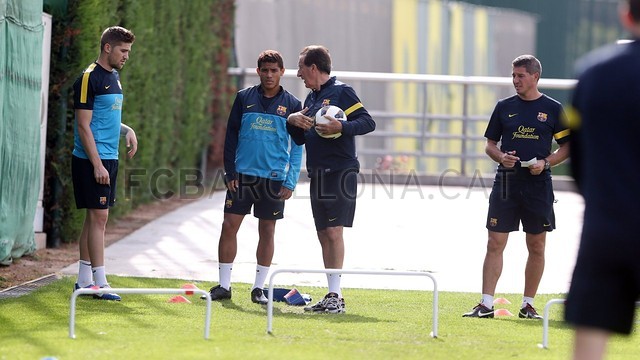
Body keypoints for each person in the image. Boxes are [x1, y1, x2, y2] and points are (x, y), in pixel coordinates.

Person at [462, 55, 570, 319]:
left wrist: (546, 162)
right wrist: (501, 157)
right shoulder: (503, 107)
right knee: (494, 241)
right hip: (507, 182)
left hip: (538, 184)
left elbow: (569, 146)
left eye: (520, 76)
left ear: (535, 77)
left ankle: (528, 305)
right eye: (513, 75)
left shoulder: (554, 108)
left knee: (536, 245)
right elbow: (489, 144)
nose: (515, 80)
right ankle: (486, 304)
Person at [565, 1, 640, 358]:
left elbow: (578, 160)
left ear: (625, 14)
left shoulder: (593, 72)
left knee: (591, 334)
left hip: (607, 226)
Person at [204, 50, 303, 305]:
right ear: (258, 72)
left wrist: (290, 181)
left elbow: (298, 146)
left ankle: (258, 288)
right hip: (242, 176)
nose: (269, 75)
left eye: (274, 70)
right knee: (228, 226)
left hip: (273, 179)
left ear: (282, 72)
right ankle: (224, 285)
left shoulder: (293, 105)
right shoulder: (243, 98)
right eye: (265, 70)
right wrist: (230, 172)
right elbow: (231, 136)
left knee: (267, 231)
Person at [286, 45, 376, 314]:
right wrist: (292, 122)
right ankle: (331, 294)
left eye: (301, 67)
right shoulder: (311, 99)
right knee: (323, 232)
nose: (299, 73)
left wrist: (341, 126)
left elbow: (368, 122)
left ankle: (336, 296)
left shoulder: (342, 91)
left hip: (341, 170)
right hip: (318, 172)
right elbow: (301, 138)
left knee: (335, 231)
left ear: (314, 67)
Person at [71, 26, 137, 301]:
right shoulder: (89, 78)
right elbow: (84, 126)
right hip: (91, 159)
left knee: (95, 217)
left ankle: (84, 280)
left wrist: (127, 130)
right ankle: (99, 282)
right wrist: (97, 165)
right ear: (107, 47)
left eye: (129, 52)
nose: (126, 56)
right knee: (100, 218)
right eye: (123, 51)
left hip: (110, 157)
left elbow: (104, 118)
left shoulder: (114, 77)